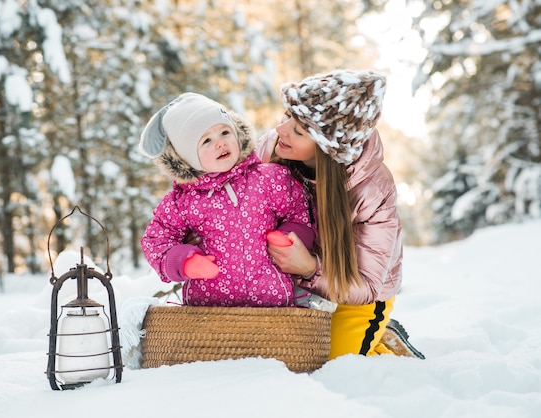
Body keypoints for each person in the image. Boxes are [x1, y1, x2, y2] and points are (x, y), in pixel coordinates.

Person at [258, 69, 424, 359]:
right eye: (286, 116)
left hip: (354, 295)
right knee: (281, 355)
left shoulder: (371, 188)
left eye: (298, 130)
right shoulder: (271, 148)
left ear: (327, 149)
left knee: (333, 362)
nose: (281, 130)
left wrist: (310, 268)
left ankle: (381, 340)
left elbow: (368, 284)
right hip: (287, 286)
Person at [139, 92, 316, 307]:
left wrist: (290, 236)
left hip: (273, 305)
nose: (220, 143)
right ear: (187, 158)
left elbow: (299, 208)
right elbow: (156, 241)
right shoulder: (182, 201)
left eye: (224, 132)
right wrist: (184, 262)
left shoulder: (268, 179)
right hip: (208, 311)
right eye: (207, 140)